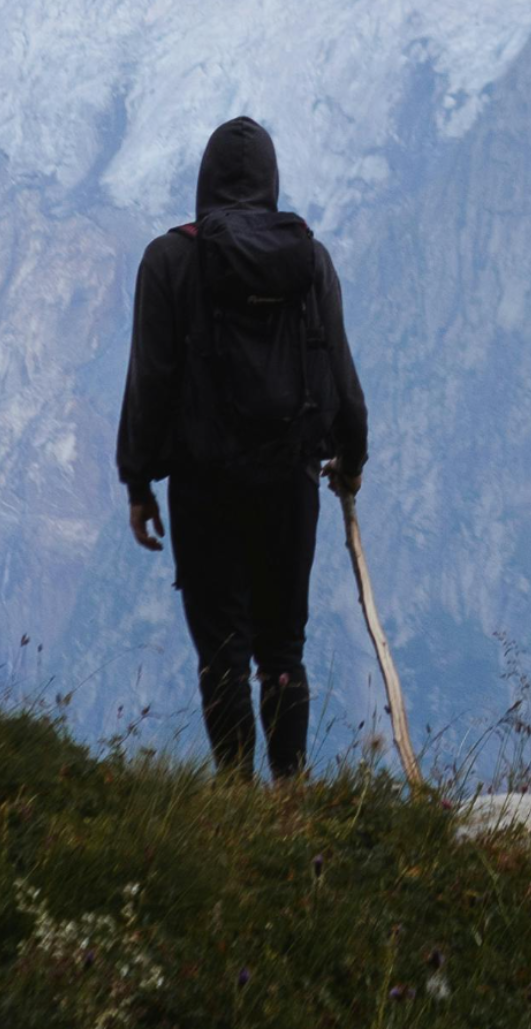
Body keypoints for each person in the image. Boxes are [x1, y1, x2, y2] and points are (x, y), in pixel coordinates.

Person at [116, 116, 370, 779]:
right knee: (283, 649)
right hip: (291, 482)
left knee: (222, 652)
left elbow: (150, 380)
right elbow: (339, 370)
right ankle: (290, 795)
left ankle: (235, 794)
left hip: (205, 486)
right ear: (271, 181)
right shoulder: (309, 260)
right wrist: (351, 456)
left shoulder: (169, 260)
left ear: (203, 180)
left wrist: (139, 483)